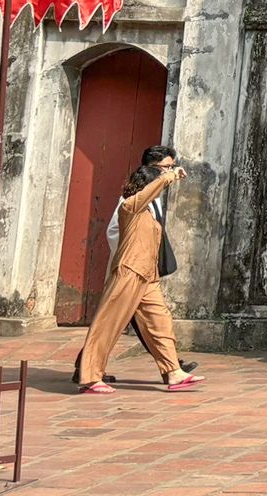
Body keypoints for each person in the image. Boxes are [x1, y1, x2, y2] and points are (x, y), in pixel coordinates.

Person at [75, 163, 201, 393]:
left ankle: (173, 371)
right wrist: (168, 178)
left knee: (160, 322)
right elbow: (143, 196)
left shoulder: (149, 211)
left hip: (147, 276)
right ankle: (91, 377)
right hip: (129, 272)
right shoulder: (129, 207)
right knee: (109, 323)